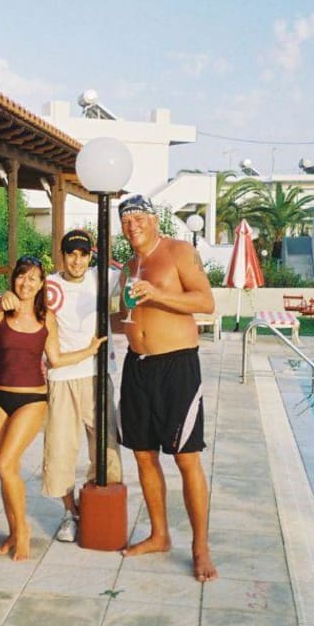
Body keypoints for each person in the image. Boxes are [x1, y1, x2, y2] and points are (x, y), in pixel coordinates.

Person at [0, 255, 104, 561]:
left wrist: (89, 350)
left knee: (4, 465)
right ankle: (13, 531)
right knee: (7, 471)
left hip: (32, 399)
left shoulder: (46, 317)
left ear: (41, 284)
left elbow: (56, 360)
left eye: (33, 278)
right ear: (14, 280)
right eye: (21, 276)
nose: (26, 283)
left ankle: (23, 531)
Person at [115, 194, 219, 583]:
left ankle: (200, 548)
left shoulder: (178, 252)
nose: (133, 225)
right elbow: (121, 316)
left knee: (186, 457)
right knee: (143, 455)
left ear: (155, 220)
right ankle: (159, 535)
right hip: (136, 366)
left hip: (176, 366)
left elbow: (205, 301)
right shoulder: (128, 267)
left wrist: (157, 293)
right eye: (126, 221)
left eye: (139, 218)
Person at [35, 229, 123, 543]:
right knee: (60, 449)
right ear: (62, 255)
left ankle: (95, 506)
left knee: (107, 450)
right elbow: (20, 293)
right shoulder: (48, 285)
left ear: (90, 256)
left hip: (99, 376)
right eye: (71, 254)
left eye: (83, 254)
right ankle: (70, 513)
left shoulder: (103, 278)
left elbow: (135, 273)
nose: (77, 261)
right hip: (61, 379)